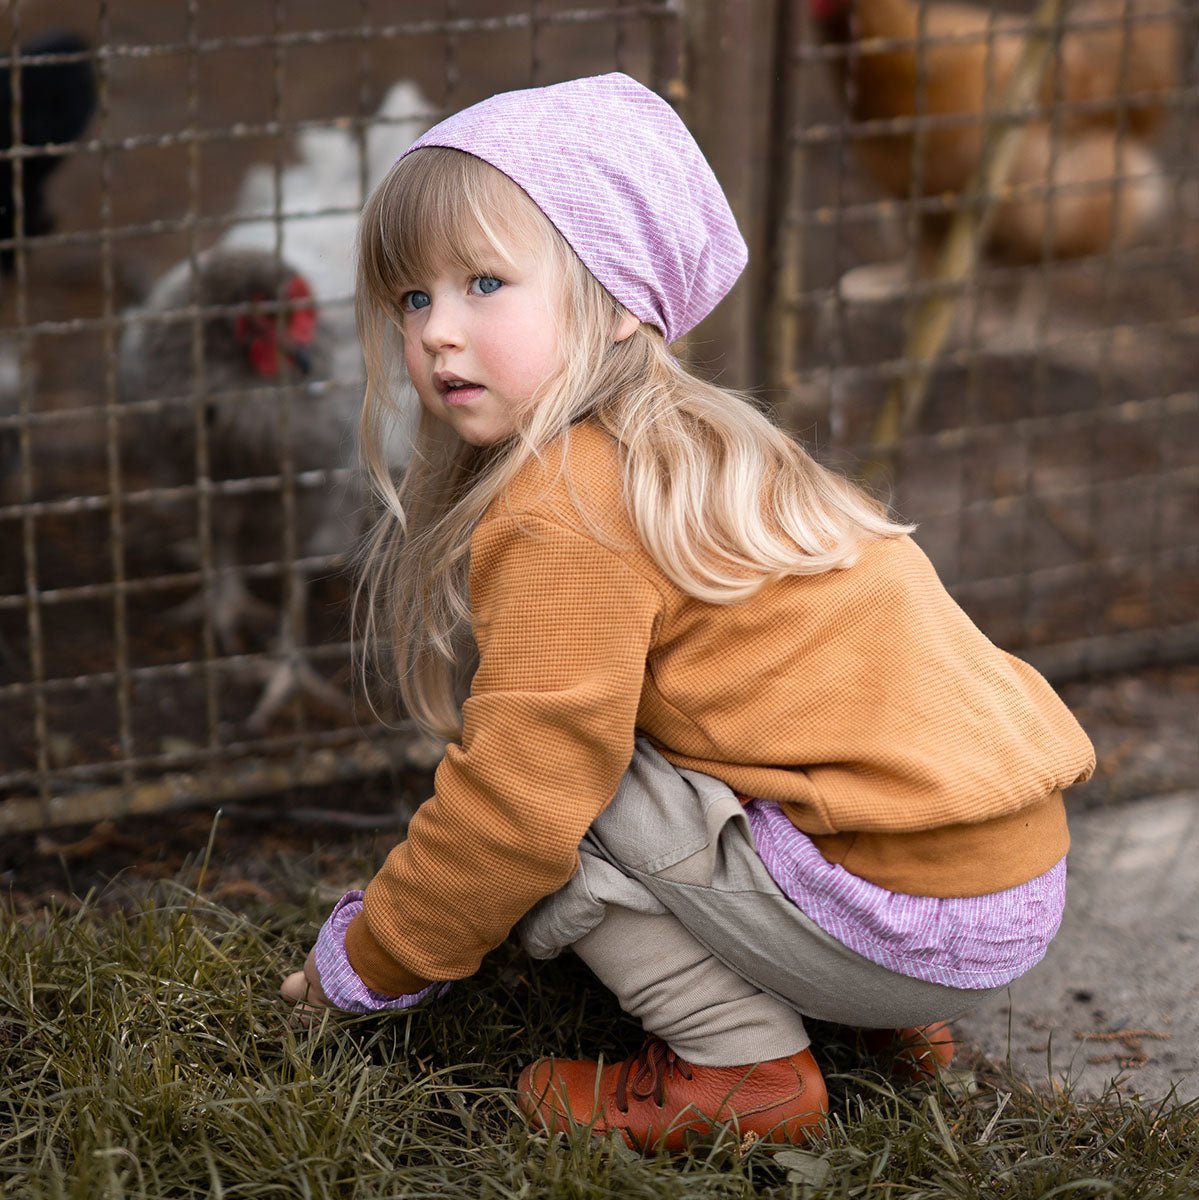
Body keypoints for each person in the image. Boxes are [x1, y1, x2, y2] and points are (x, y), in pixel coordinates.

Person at [280, 73, 1096, 1152]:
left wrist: (367, 964)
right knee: (623, 747)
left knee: (561, 787)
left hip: (898, 921)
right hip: (1003, 888)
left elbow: (518, 806)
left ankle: (741, 1067)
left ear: (620, 299)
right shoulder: (711, 443)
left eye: (484, 281)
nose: (434, 334)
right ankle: (877, 1025)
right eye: (413, 297)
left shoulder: (563, 497)